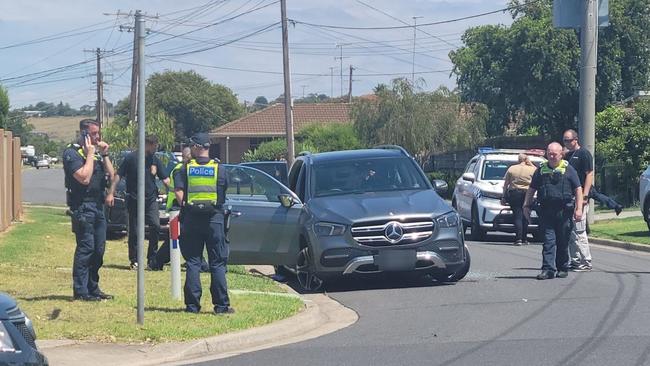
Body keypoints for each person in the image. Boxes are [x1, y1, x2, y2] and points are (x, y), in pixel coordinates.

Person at [174, 133, 234, 314]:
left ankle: (192, 306)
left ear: (197, 147)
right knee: (217, 264)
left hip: (192, 219)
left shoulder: (185, 169)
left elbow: (179, 194)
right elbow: (223, 192)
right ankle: (221, 306)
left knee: (193, 262)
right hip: (214, 220)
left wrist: (188, 206)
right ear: (207, 147)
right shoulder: (220, 169)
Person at [63, 118, 115, 301]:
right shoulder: (72, 153)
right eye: (94, 134)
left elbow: (113, 175)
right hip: (83, 207)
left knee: (99, 250)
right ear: (83, 134)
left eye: (98, 134)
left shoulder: (96, 153)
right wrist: (91, 154)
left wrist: (105, 154)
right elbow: (84, 178)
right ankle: (81, 290)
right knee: (86, 248)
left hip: (98, 206)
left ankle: (93, 287)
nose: (97, 137)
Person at [563, 129, 623, 272]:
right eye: (564, 140)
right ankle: (576, 260)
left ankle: (586, 261)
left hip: (581, 195)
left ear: (576, 139)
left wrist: (585, 195)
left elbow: (589, 174)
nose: (566, 143)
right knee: (571, 231)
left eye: (568, 140)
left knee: (579, 230)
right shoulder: (569, 155)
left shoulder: (583, 154)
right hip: (570, 197)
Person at [523, 142, 583, 280]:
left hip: (564, 212)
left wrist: (579, 209)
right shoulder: (540, 170)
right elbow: (532, 189)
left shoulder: (569, 170)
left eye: (554, 154)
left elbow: (578, 189)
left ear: (561, 154)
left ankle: (562, 267)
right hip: (546, 211)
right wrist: (526, 205)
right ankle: (548, 269)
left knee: (562, 241)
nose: (551, 156)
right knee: (548, 241)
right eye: (549, 153)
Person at [110, 135, 170, 270]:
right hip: (134, 199)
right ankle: (135, 260)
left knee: (155, 226)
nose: (156, 148)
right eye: (154, 145)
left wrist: (173, 192)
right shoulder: (131, 158)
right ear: (147, 144)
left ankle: (152, 259)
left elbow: (165, 179)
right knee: (135, 231)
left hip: (150, 200)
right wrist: (111, 192)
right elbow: (118, 174)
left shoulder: (154, 160)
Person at [149, 147, 209, 272]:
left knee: (179, 237)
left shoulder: (184, 169)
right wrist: (185, 206)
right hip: (179, 207)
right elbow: (179, 191)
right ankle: (157, 261)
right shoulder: (181, 170)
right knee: (177, 238)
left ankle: (157, 261)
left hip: (180, 207)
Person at [502, 153, 537, 246]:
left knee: (517, 215)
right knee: (526, 215)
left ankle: (518, 239)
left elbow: (506, 184)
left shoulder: (512, 168)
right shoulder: (532, 169)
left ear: (518, 159)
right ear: (526, 159)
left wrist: (503, 197)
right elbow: (538, 173)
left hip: (515, 193)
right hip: (528, 193)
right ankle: (525, 238)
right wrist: (531, 163)